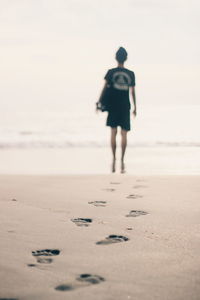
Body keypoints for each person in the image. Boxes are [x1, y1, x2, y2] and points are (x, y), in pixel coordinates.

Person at [96, 47, 136, 173]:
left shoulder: (111, 72)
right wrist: (135, 107)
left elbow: (104, 88)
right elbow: (132, 92)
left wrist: (99, 102)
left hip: (113, 106)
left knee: (113, 132)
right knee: (124, 134)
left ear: (115, 57)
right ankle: (122, 160)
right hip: (125, 106)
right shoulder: (130, 74)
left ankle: (114, 159)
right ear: (126, 58)